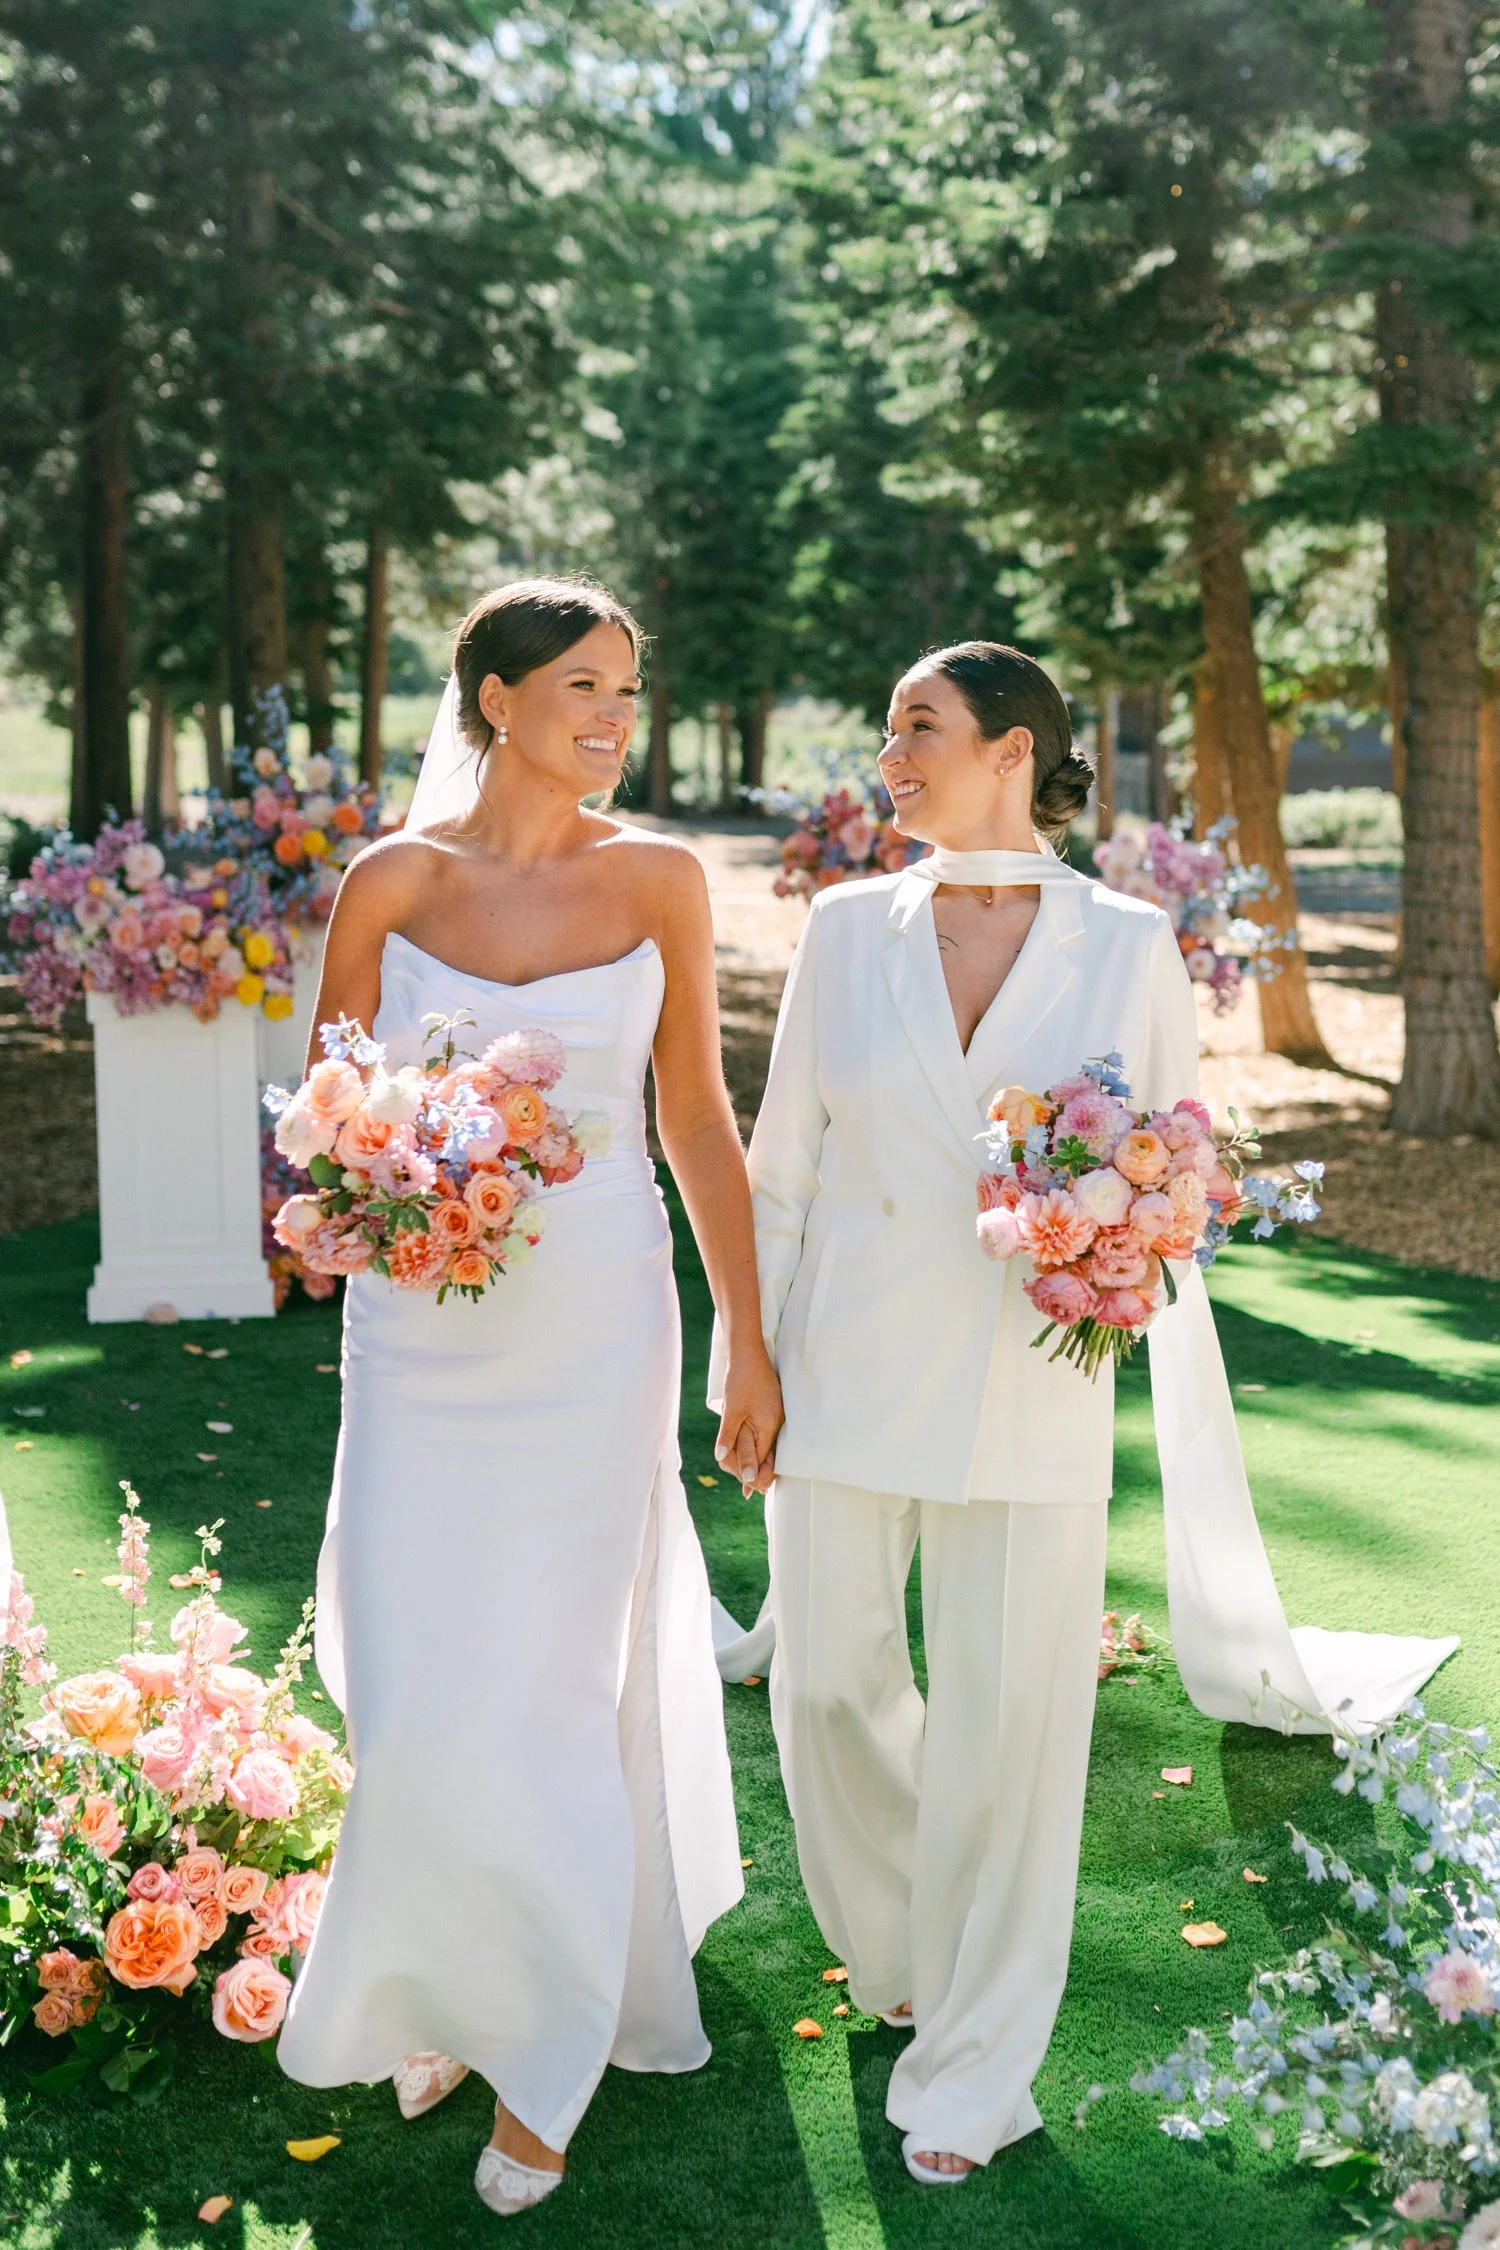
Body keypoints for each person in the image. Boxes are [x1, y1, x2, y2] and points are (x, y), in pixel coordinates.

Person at [719, 639, 1455, 2185]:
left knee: (1014, 1723)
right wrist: (748, 1358)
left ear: (1015, 749)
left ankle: (975, 2064)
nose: (890, 755)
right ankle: (906, 1946)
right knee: (828, 1685)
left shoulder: (1127, 943)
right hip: (841, 1362)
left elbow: (1176, 1170)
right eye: (889, 727)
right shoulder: (847, 928)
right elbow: (780, 1166)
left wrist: (1117, 1226)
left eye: (918, 726)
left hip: (1030, 1378)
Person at [277, 577, 783, 2216]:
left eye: (628, 688)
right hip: (420, 1338)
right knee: (416, 1685)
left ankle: (548, 2053)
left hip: (593, 1325)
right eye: (583, 685)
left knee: (557, 1686)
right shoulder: (390, 883)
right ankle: (439, 1981)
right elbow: (327, 1114)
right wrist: (358, 1196)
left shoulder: (661, 879)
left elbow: (695, 1118)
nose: (616, 716)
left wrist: (747, 1333)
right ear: (495, 700)